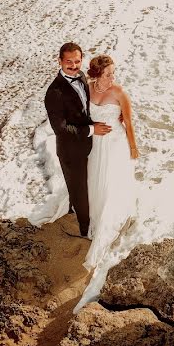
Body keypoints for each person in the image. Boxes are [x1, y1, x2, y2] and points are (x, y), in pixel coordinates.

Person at [44, 42, 111, 237]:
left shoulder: (81, 76)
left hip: (90, 144)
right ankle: (84, 230)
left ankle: (75, 209)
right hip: (70, 150)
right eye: (69, 62)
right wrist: (91, 129)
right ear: (59, 61)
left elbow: (86, 107)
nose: (74, 66)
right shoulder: (54, 93)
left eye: (77, 61)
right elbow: (61, 129)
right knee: (80, 190)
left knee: (85, 185)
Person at [83, 54, 139, 269]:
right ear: (96, 75)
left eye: (113, 73)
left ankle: (110, 223)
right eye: (107, 74)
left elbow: (128, 123)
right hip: (96, 144)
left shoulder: (119, 92)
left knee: (110, 184)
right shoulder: (87, 87)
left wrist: (133, 147)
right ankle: (95, 218)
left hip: (115, 143)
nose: (112, 77)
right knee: (95, 182)